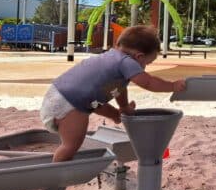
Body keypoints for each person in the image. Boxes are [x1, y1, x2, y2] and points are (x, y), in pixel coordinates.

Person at [40, 25, 187, 162]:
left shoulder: (112, 59)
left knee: (96, 103)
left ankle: (116, 115)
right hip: (68, 104)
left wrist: (122, 108)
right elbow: (148, 82)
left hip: (60, 97)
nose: (144, 68)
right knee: (71, 145)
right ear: (139, 57)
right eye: (146, 64)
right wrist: (172, 86)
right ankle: (56, 175)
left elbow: (117, 90)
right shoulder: (126, 62)